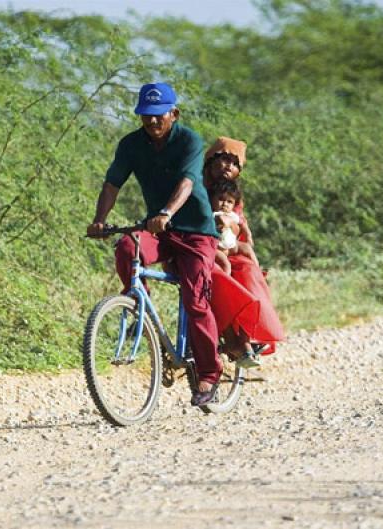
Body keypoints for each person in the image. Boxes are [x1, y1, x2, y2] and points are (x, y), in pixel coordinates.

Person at [86, 82, 223, 406]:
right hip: (160, 232)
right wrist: (99, 220)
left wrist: (166, 211)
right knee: (126, 247)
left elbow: (187, 182)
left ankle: (209, 373)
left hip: (195, 232)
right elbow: (112, 183)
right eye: (145, 116)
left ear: (173, 114)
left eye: (157, 116)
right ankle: (141, 307)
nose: (151, 122)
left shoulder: (189, 139)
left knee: (195, 298)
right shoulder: (131, 144)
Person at [204, 137, 285, 367]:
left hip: (229, 247)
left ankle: (248, 336)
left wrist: (242, 241)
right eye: (223, 160)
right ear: (210, 162)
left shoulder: (233, 195)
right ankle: (234, 341)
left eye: (234, 163)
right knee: (220, 277)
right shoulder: (197, 188)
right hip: (204, 247)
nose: (227, 167)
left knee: (250, 272)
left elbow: (240, 226)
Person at [210, 179, 259, 275]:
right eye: (221, 199)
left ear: (234, 204)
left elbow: (242, 223)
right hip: (217, 248)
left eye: (229, 202)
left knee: (247, 248)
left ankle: (258, 271)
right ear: (212, 199)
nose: (225, 204)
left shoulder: (233, 215)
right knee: (226, 265)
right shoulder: (213, 213)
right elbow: (221, 220)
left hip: (231, 245)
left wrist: (248, 235)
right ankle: (226, 282)